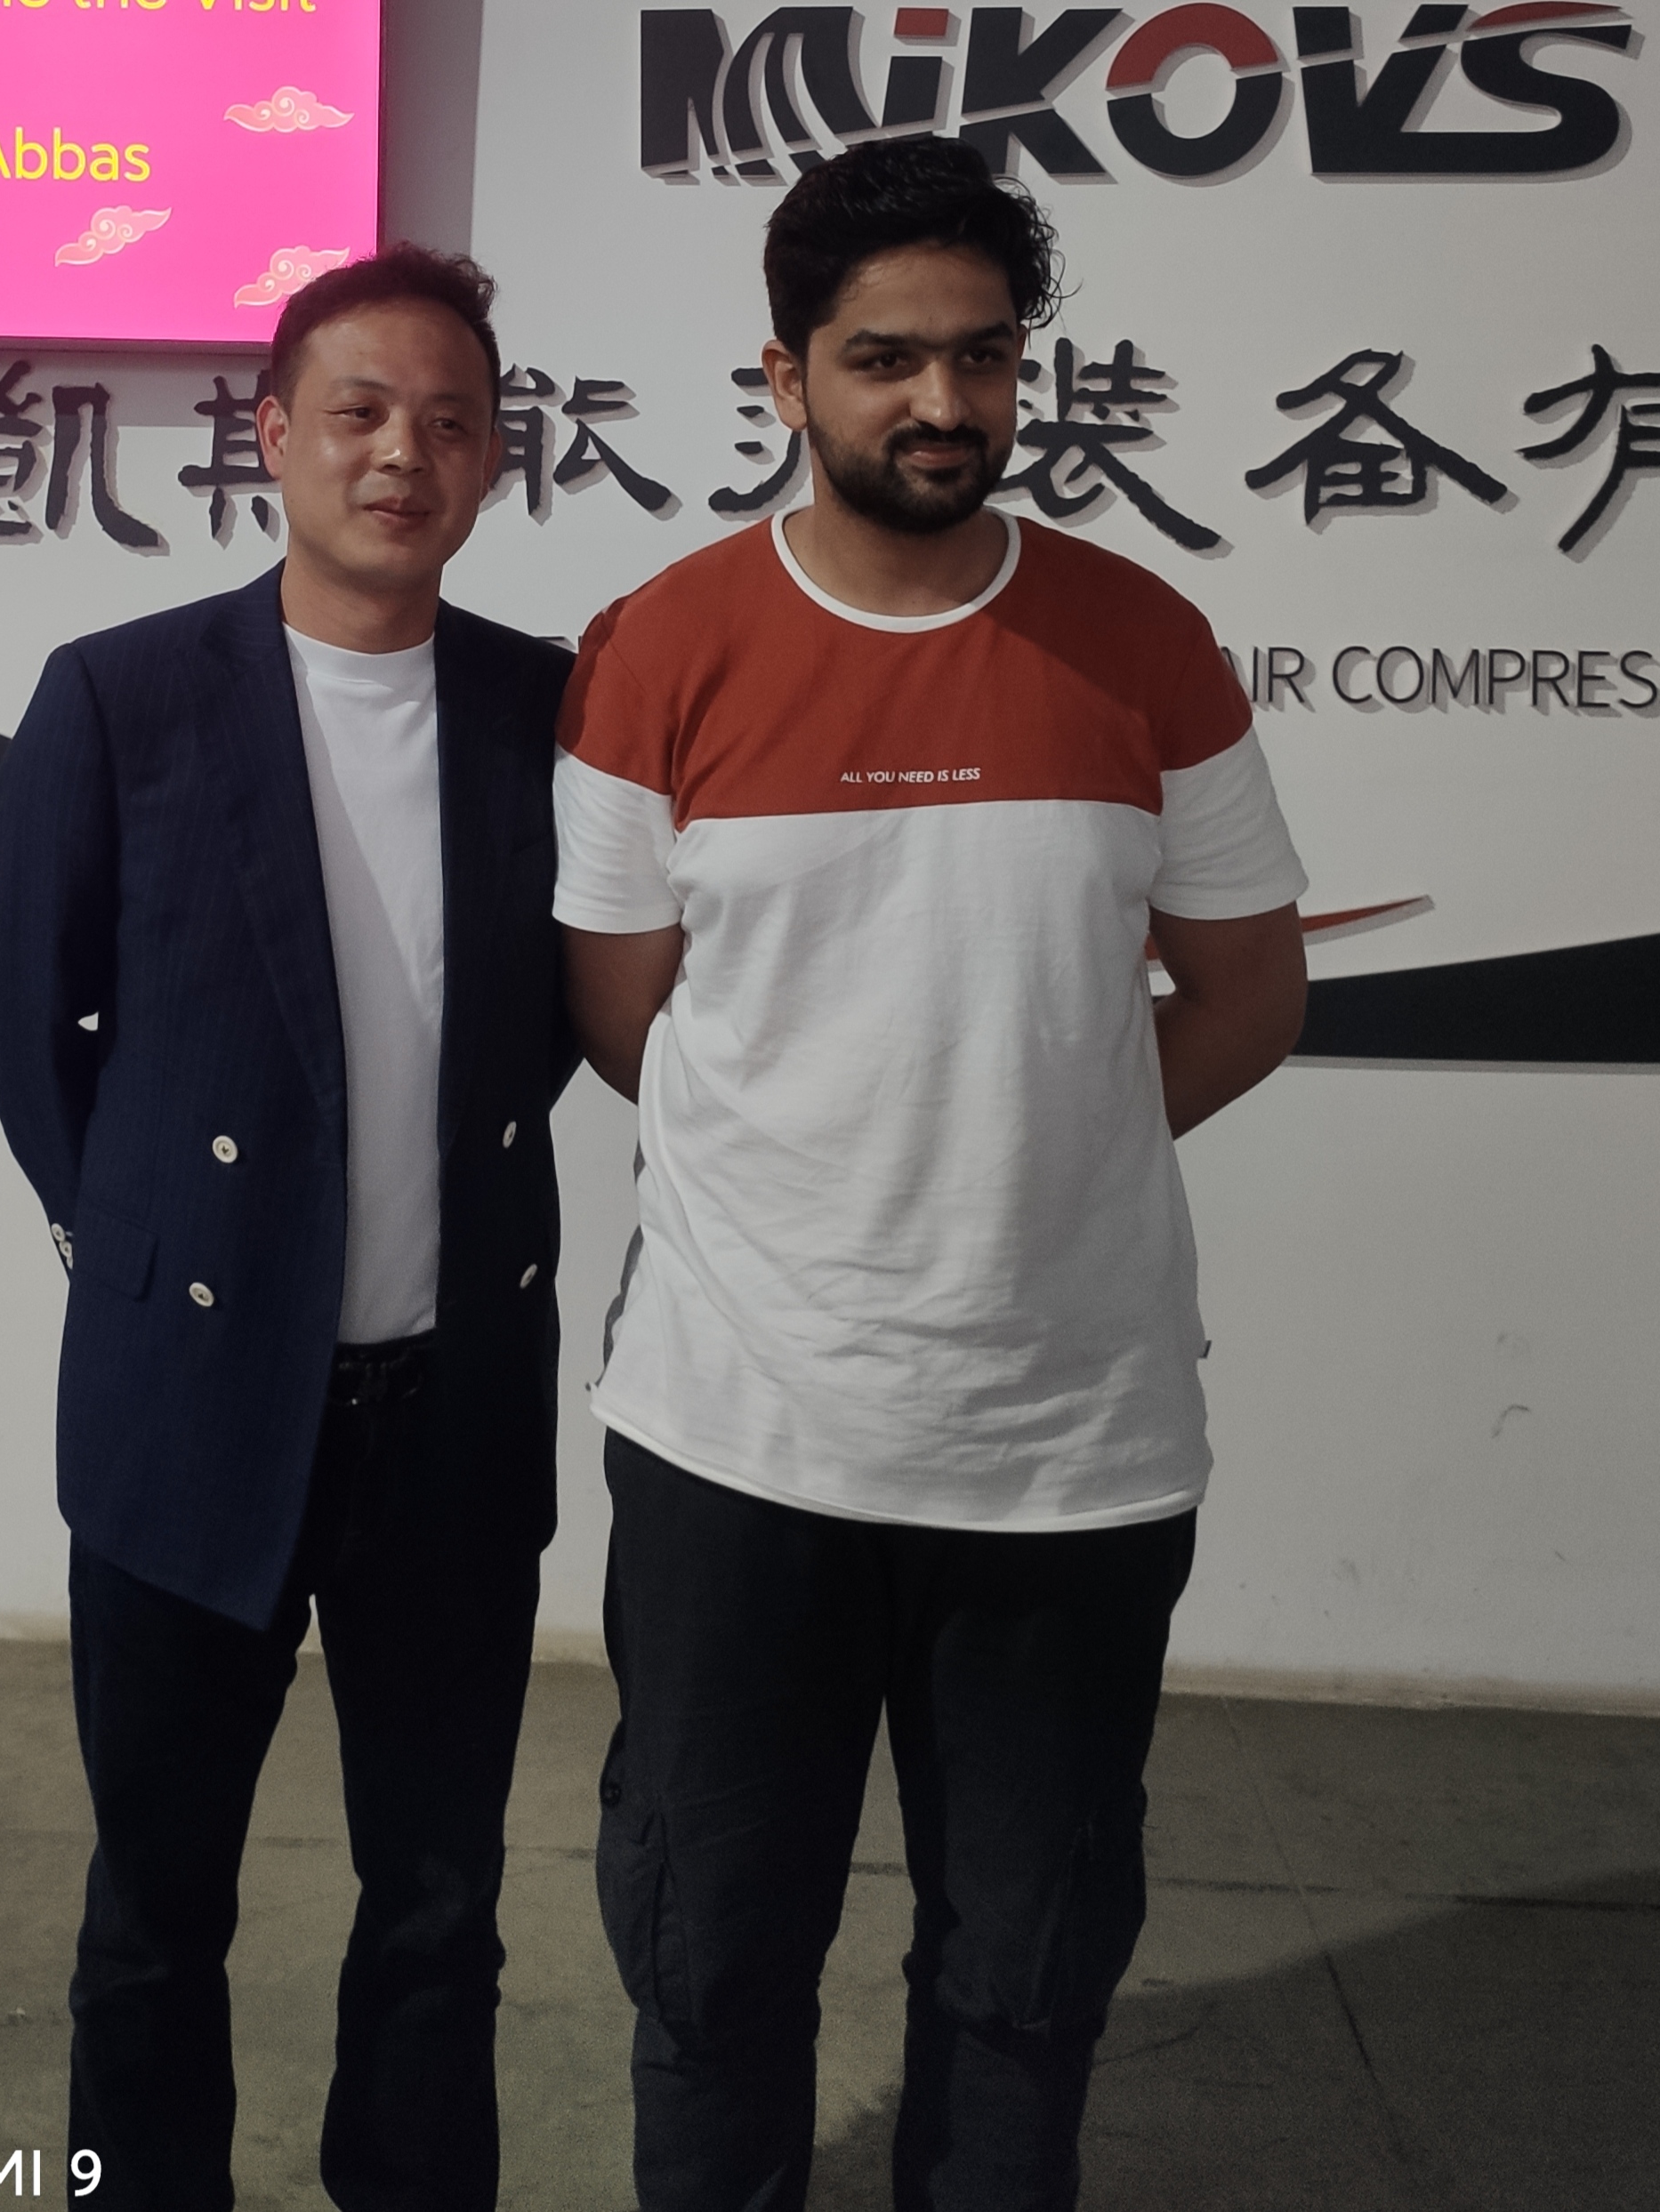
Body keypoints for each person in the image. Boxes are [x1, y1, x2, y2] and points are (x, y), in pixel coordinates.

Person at [553, 139, 1309, 2212]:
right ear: (785, 376)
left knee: (1024, 1987)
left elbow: (1248, 991)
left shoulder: (1141, 639)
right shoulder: (659, 649)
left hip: (1068, 1453)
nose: (944, 401)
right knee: (712, 1967)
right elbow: (629, 1020)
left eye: (983, 356)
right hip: (737, 1440)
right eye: (885, 357)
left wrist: (1031, 1142)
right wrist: (856, 1164)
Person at [0, 245, 573, 2212]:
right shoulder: (125, 693)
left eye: (451, 422)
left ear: (493, 459)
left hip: (451, 1413)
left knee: (441, 1901)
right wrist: (138, 1245)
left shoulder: (541, 708)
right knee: (154, 1909)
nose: (405, 452)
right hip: (191, 1402)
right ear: (273, 434)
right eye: (361, 411)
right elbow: (32, 1021)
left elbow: (556, 1020)